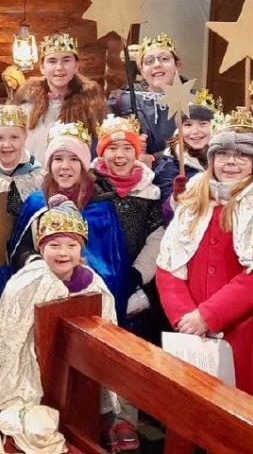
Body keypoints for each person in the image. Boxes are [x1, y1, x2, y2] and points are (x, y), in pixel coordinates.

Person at [156, 107, 253, 397]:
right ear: (211, 159)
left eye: (243, 155)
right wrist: (185, 318)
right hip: (192, 329)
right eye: (222, 154)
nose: (231, 162)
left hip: (246, 328)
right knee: (193, 403)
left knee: (240, 403)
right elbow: (169, 267)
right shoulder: (195, 202)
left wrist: (208, 316)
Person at [0, 195, 121, 443]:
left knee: (73, 425)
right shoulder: (25, 283)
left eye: (71, 245)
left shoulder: (94, 283)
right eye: (54, 246)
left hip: (75, 374)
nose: (63, 253)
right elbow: (8, 336)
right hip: (30, 370)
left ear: (81, 249)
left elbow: (106, 326)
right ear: (41, 249)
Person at [0, 121, 130, 323]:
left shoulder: (101, 207)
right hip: (39, 301)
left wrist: (78, 274)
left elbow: (113, 268)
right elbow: (19, 251)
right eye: (58, 159)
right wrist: (38, 264)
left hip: (86, 304)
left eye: (73, 159)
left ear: (83, 164)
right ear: (49, 164)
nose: (65, 166)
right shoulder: (36, 203)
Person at [92, 115, 167, 344]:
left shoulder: (149, 191)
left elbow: (156, 239)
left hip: (137, 284)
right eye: (112, 148)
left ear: (136, 152)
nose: (120, 155)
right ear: (101, 152)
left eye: (127, 148)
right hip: (98, 282)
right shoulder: (90, 187)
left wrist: (136, 275)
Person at [11, 33, 108, 164]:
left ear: (76, 66)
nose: (59, 67)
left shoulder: (91, 103)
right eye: (52, 61)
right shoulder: (26, 102)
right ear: (42, 67)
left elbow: (101, 146)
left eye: (66, 60)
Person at [109, 33, 185, 158]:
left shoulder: (196, 102)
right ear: (142, 70)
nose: (157, 65)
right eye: (149, 61)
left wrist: (155, 158)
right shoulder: (122, 101)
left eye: (164, 59)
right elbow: (106, 144)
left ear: (177, 66)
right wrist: (128, 145)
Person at [152, 88, 220, 224]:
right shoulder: (169, 166)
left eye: (203, 124)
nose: (195, 131)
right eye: (188, 125)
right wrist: (176, 198)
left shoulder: (224, 158)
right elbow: (166, 215)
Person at [0, 104, 46, 215]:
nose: (6, 145)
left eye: (14, 137)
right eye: (0, 138)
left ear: (24, 137)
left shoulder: (39, 177)